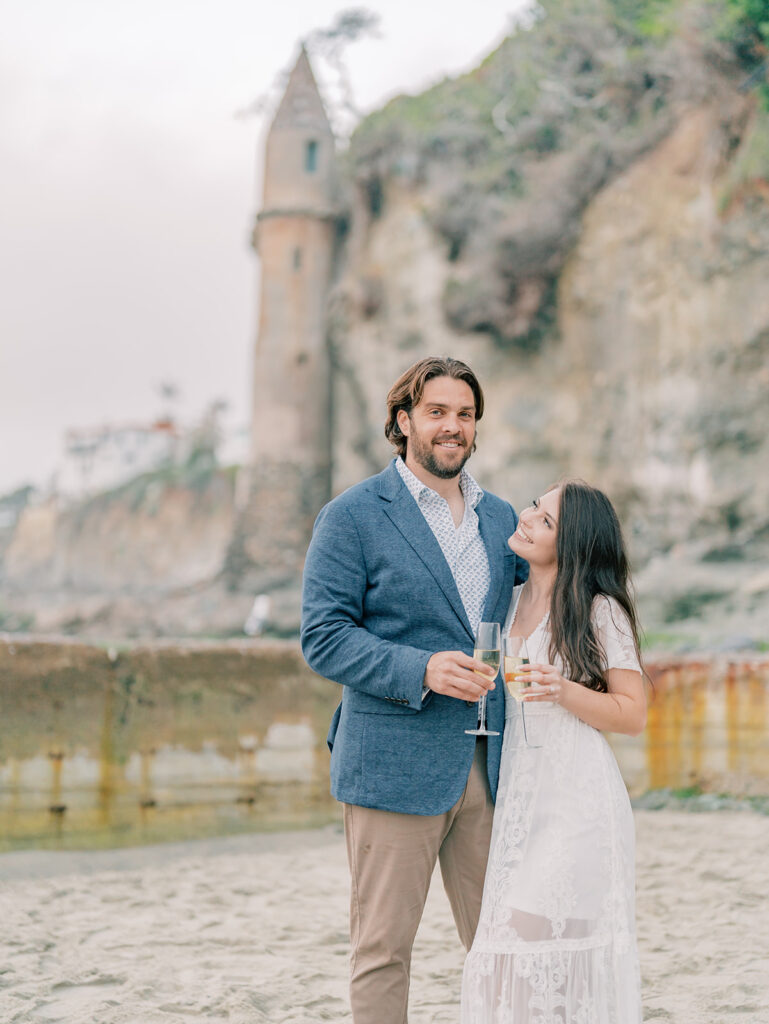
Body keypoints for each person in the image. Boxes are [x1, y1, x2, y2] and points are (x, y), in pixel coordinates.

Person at [301, 356, 529, 1024]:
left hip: (490, 766)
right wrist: (419, 669)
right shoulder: (350, 517)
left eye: (464, 414)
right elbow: (323, 636)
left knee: (501, 946)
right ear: (403, 422)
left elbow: (533, 607)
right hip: (391, 766)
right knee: (382, 950)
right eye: (436, 412)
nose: (451, 427)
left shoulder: (501, 517)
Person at [461, 480, 647, 1024]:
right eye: (535, 505)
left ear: (572, 545)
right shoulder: (507, 597)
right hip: (517, 793)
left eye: (545, 521)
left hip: (576, 798)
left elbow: (632, 713)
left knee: (536, 951)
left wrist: (562, 689)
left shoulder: (598, 609)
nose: (526, 517)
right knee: (497, 957)